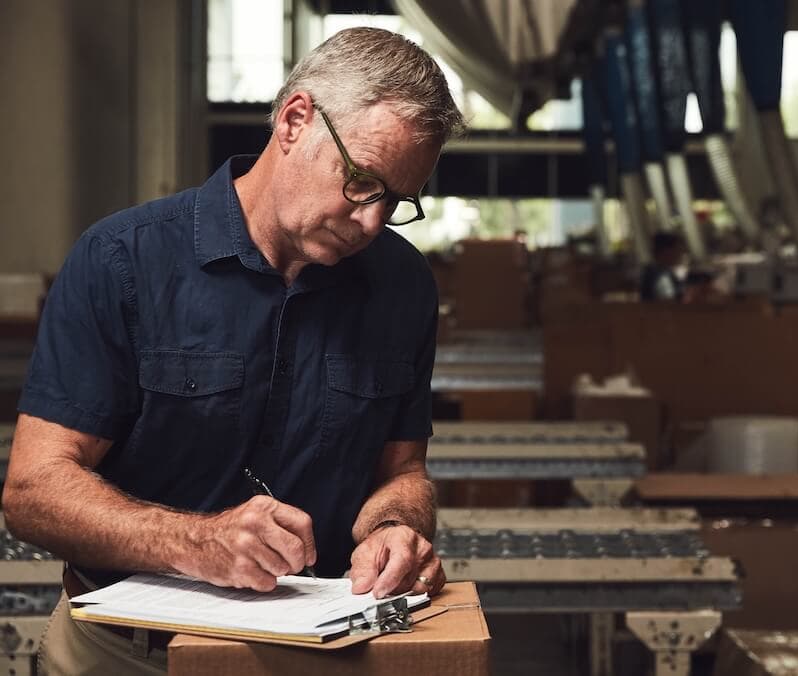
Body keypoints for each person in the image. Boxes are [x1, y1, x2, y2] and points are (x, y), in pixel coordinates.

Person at [2, 27, 464, 674]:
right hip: (124, 654)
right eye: (362, 181)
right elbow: (33, 492)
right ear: (296, 120)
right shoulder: (123, 263)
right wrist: (198, 542)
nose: (371, 221)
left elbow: (403, 472)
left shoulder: (402, 286)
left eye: (396, 201)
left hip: (320, 649)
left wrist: (395, 528)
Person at [639, 232, 686, 301]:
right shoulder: (661, 276)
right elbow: (669, 301)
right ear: (666, 251)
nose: (681, 254)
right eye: (678, 249)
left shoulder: (657, 271)